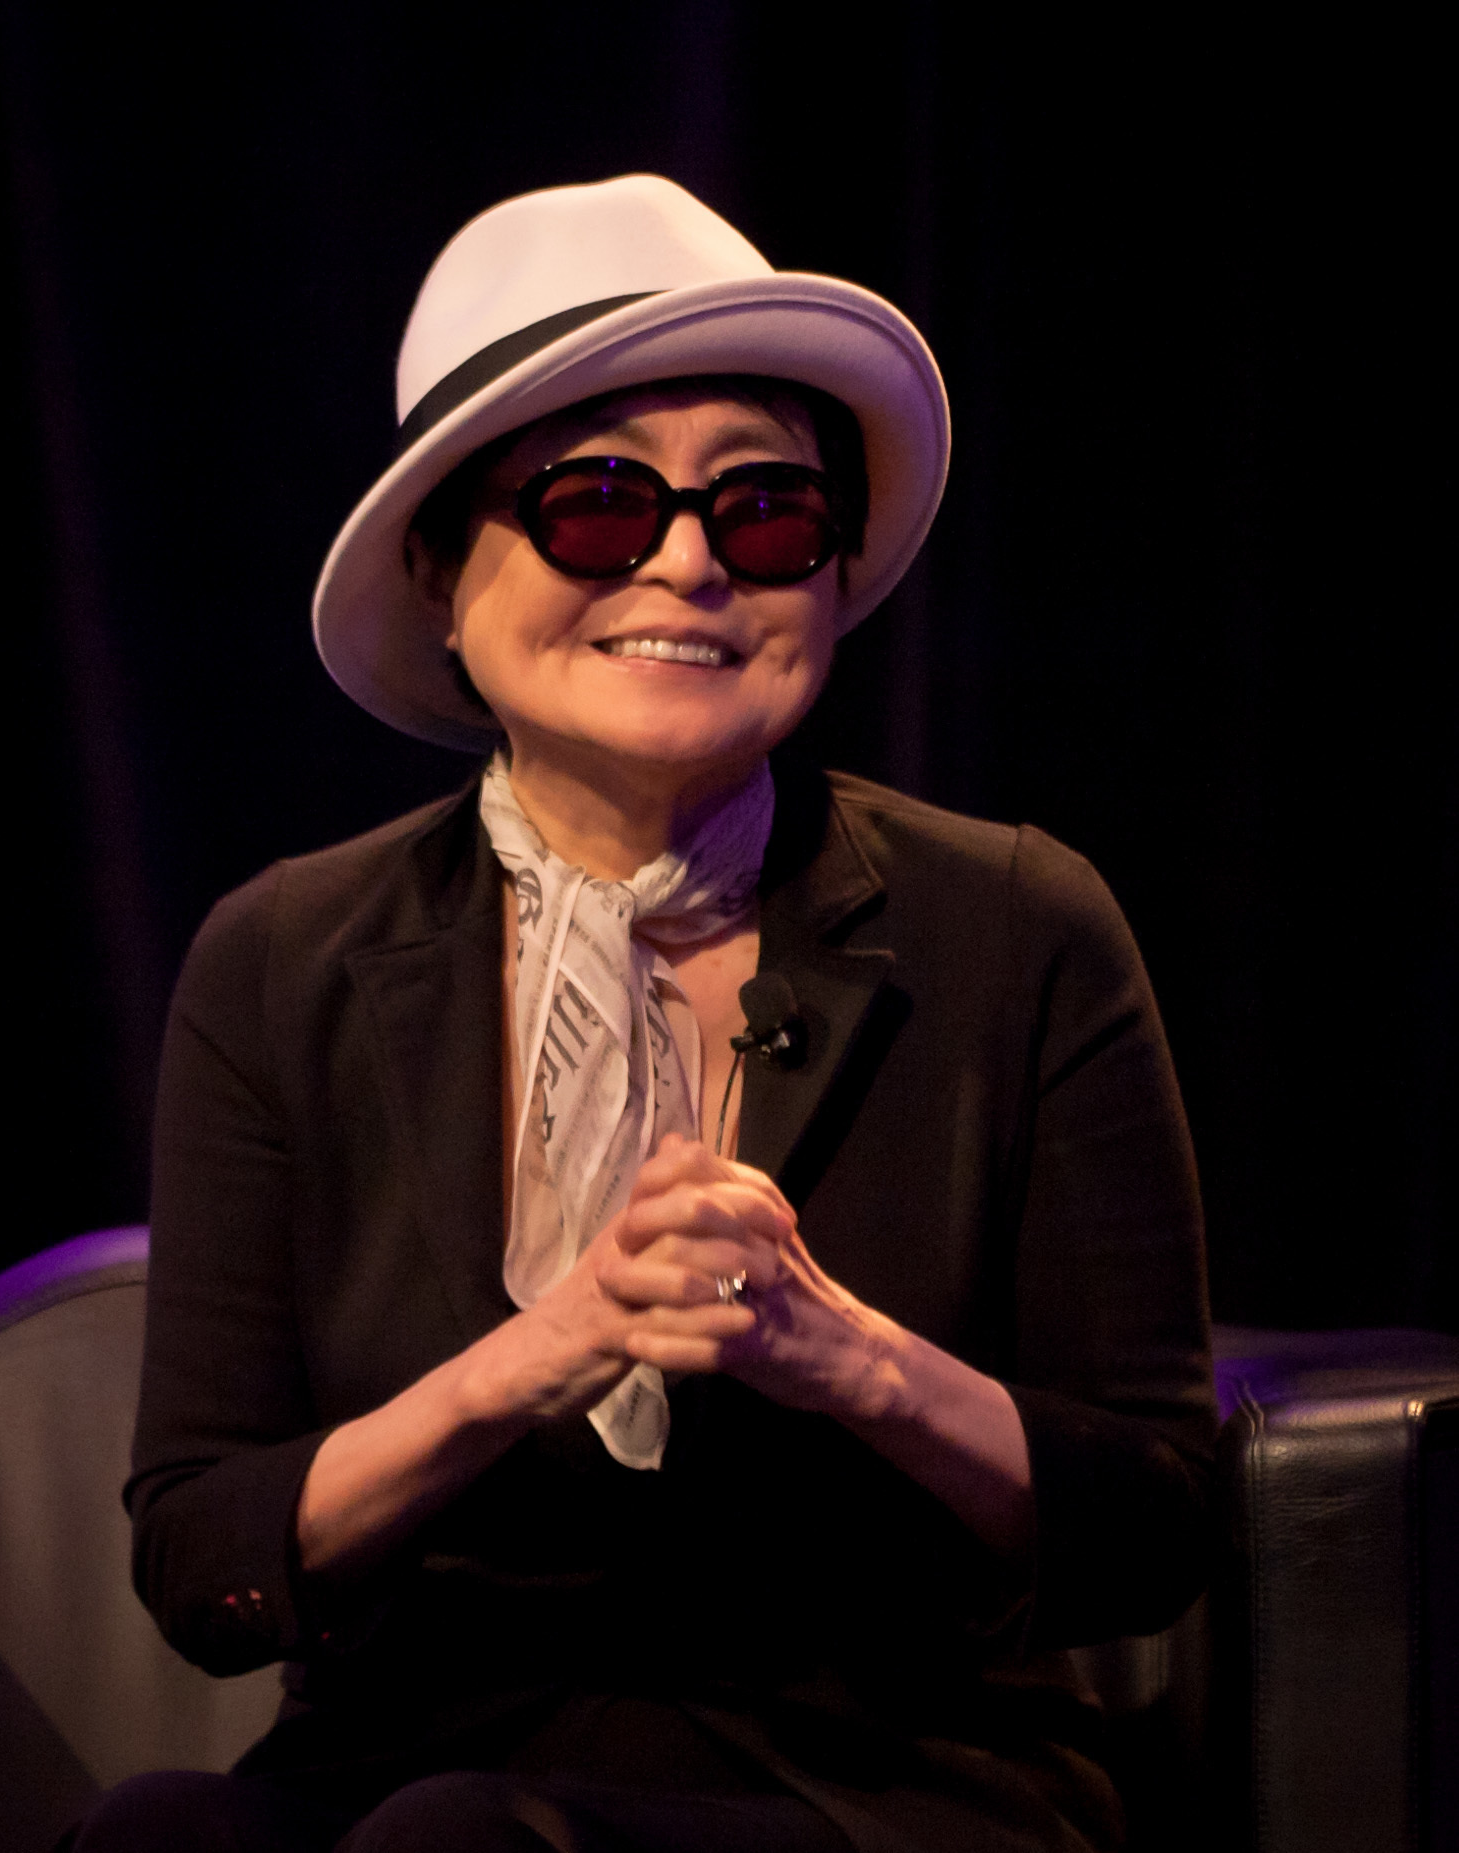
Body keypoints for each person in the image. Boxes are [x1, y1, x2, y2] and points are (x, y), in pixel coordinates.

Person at [73, 176, 1216, 1852]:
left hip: (886, 1777)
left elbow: (1154, 1531)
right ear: (446, 575)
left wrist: (851, 1361)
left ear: (822, 583)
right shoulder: (286, 955)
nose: (686, 559)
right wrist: (534, 1354)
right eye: (599, 506)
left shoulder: (1017, 926)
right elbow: (204, 1559)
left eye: (763, 514)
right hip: (411, 1749)